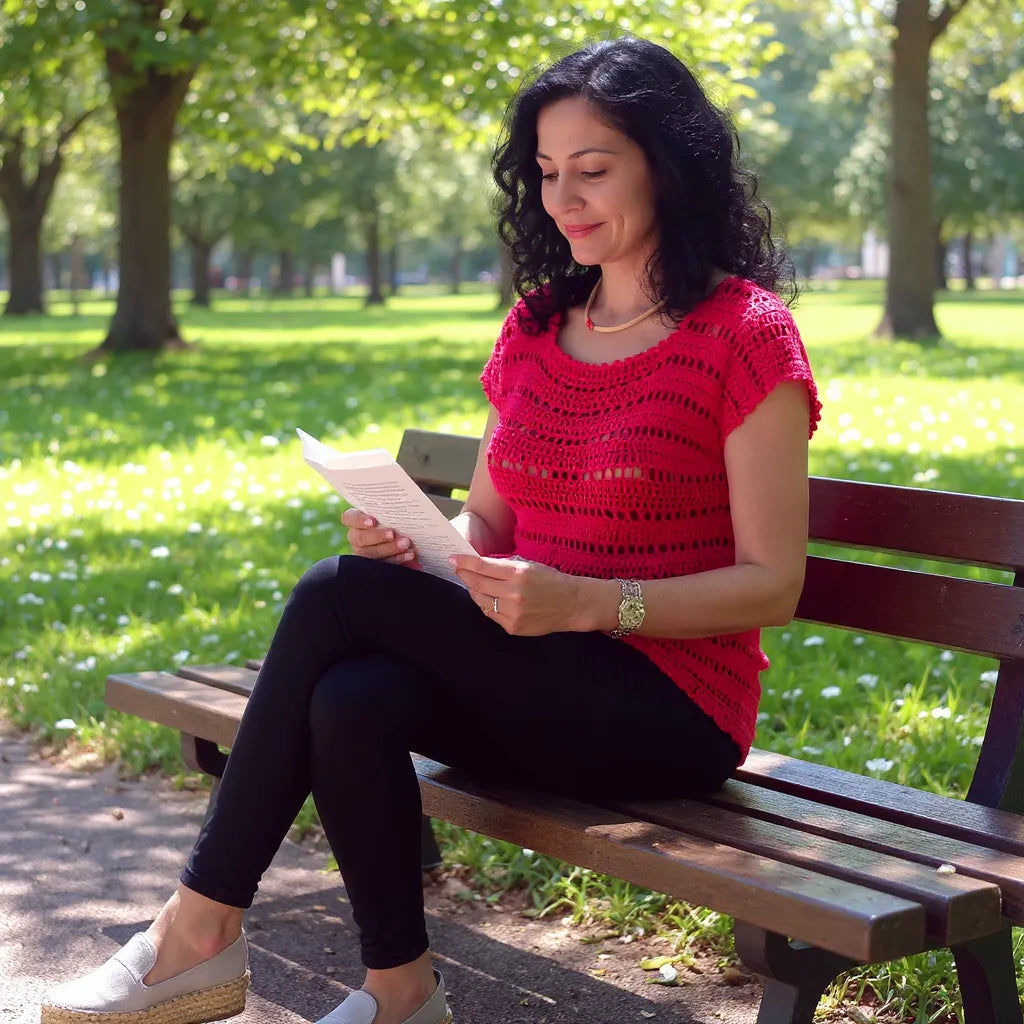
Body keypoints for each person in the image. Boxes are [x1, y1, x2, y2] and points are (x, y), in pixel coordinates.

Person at [41, 34, 820, 1024]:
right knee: (354, 692)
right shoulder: (537, 326)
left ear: (668, 167)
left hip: (669, 711)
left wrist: (584, 601)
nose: (563, 197)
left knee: (335, 595)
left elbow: (771, 584)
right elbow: (488, 518)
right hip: (534, 675)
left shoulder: (743, 335)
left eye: (593, 169)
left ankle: (194, 930)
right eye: (545, 172)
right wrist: (420, 541)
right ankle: (401, 994)